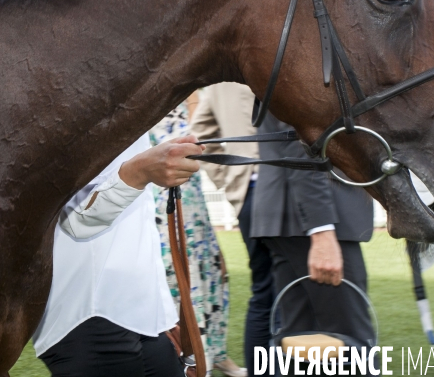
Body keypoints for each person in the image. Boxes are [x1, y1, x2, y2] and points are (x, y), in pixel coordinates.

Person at [32, 133, 204, 376]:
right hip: (87, 314)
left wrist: (162, 314)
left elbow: (137, 229)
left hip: (145, 316)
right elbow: (75, 221)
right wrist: (140, 171)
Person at [251, 113, 375, 369]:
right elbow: (302, 143)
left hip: (297, 217)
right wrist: (321, 231)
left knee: (303, 351)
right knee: (352, 350)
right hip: (314, 217)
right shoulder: (307, 70)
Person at [150, 100, 246, 377]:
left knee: (213, 270)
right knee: (179, 279)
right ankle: (192, 360)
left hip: (191, 199)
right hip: (160, 197)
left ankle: (213, 353)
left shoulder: (185, 93)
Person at [190, 82, 271, 377]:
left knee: (265, 289)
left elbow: (200, 133)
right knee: (276, 288)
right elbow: (201, 137)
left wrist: (232, 181)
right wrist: (232, 180)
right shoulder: (255, 68)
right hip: (270, 189)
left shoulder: (215, 85)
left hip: (250, 191)